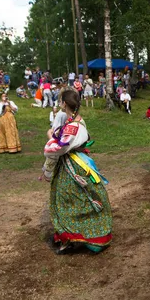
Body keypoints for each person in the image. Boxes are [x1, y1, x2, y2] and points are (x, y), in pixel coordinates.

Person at [42, 90, 112, 254]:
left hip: (72, 166)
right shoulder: (75, 121)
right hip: (78, 162)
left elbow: (60, 147)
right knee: (82, 197)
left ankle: (72, 238)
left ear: (64, 104)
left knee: (66, 200)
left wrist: (50, 136)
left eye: (60, 100)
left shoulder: (73, 125)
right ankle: (83, 234)